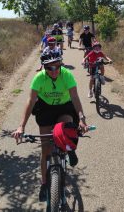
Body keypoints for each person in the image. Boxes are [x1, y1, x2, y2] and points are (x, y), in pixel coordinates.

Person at [12, 52, 89, 202]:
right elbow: (31, 101)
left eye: (56, 66)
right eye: (49, 67)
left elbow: (74, 97)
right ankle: (44, 183)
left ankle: (69, 148)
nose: (53, 70)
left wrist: (82, 119)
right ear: (43, 67)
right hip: (45, 109)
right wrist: (21, 126)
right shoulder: (39, 78)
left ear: (61, 64)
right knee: (46, 149)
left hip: (64, 107)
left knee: (66, 127)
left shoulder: (67, 75)